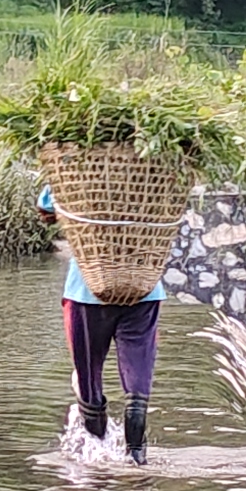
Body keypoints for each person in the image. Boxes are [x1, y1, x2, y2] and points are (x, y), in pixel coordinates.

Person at [41, 183, 158, 459]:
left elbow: (46, 208)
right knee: (137, 386)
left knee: (88, 380)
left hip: (87, 288)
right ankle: (137, 463)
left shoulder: (79, 171)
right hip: (142, 286)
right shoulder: (153, 174)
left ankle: (97, 464)